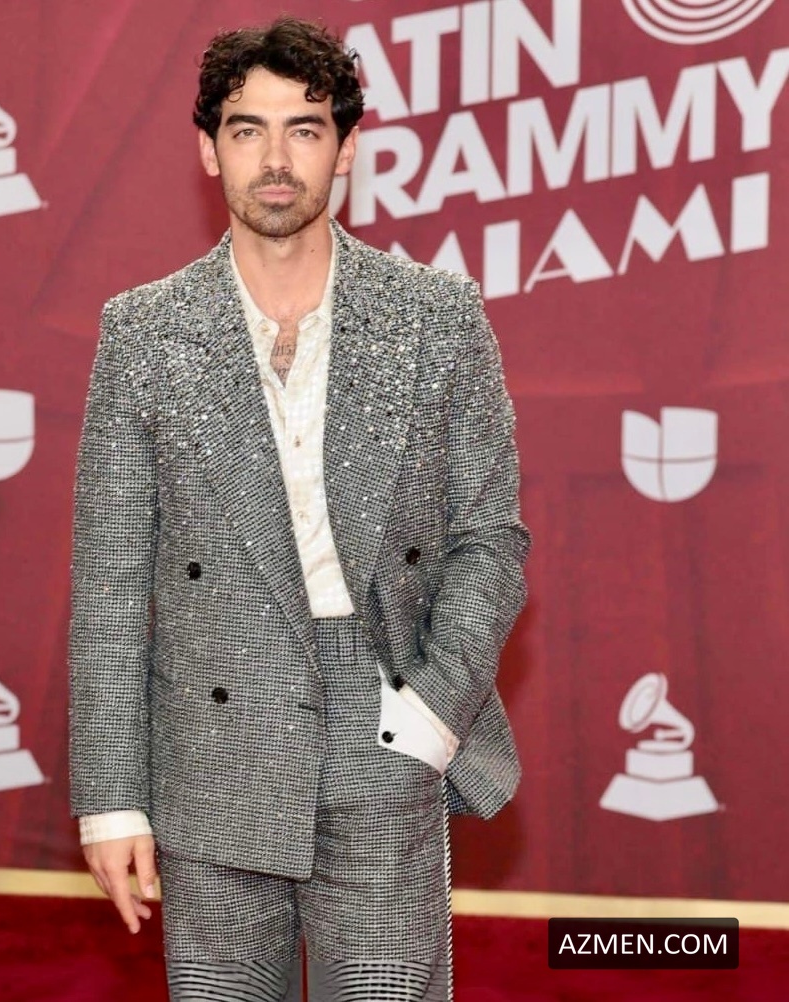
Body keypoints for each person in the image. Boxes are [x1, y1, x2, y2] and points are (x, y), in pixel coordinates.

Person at [69, 15, 529, 1002]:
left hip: (384, 725)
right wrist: (110, 800)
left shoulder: (436, 316)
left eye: (305, 129)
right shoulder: (143, 332)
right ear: (209, 149)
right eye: (247, 130)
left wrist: (429, 716)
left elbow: (490, 541)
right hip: (211, 741)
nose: (275, 160)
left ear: (346, 147)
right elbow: (110, 583)